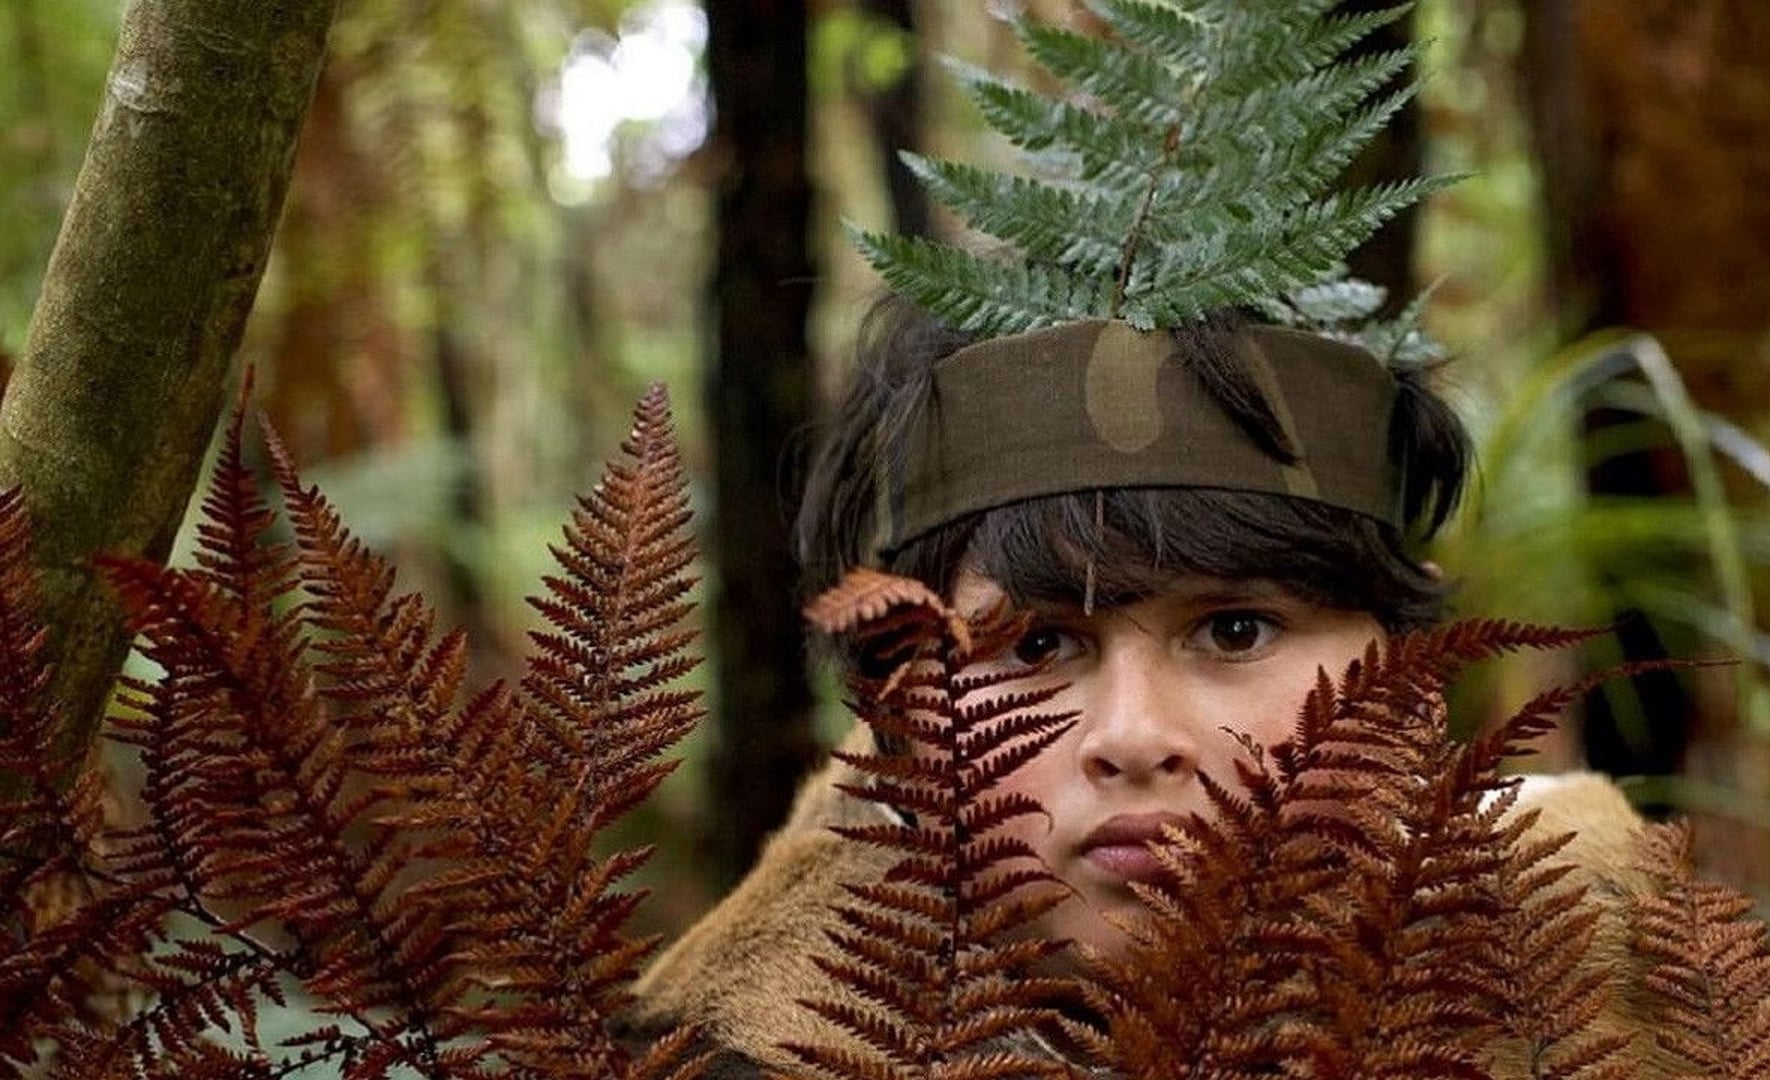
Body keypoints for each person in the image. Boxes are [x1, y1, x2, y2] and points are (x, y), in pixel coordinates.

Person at [617, 299, 1662, 1076]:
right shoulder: (741, 1046)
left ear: (1406, 680)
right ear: (906, 720)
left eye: (1235, 630)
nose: (1131, 736)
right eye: (1036, 649)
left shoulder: (1616, 996)